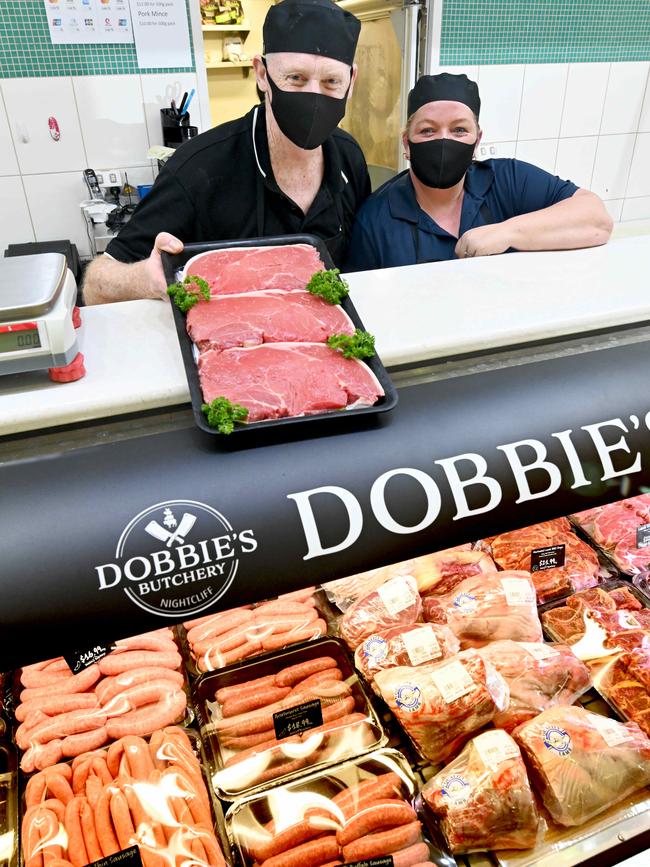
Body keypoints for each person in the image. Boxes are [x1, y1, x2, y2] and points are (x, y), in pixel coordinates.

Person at [83, 0, 369, 305]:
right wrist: (145, 279)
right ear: (262, 74)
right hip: (231, 342)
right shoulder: (198, 169)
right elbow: (95, 284)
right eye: (296, 78)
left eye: (330, 82)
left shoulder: (349, 157)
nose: (314, 96)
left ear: (350, 82)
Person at [344, 73, 613, 271]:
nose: (443, 141)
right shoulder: (375, 219)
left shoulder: (508, 180)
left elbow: (597, 220)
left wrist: (507, 232)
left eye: (459, 130)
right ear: (406, 143)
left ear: (477, 141)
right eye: (427, 130)